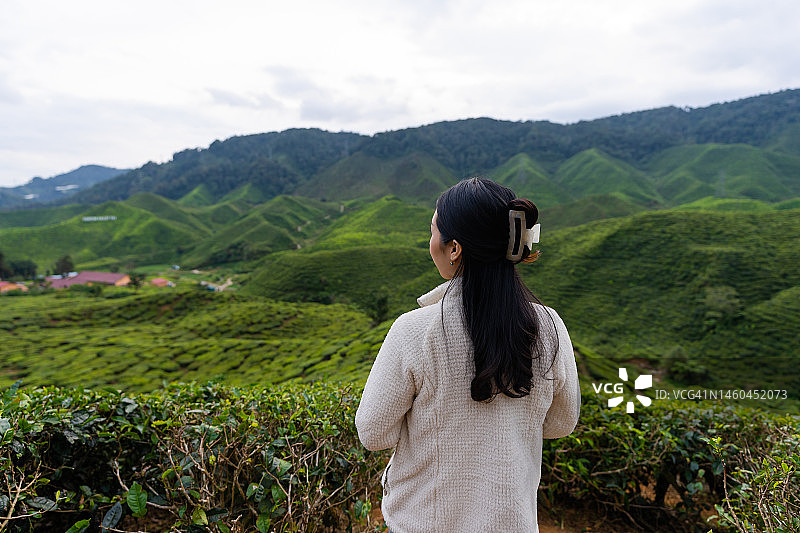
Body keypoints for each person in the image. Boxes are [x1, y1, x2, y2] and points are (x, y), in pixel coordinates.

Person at [355, 177, 581, 533]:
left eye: (433, 231)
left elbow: (373, 433)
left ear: (454, 248)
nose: (431, 242)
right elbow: (561, 424)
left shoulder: (415, 331)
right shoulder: (549, 326)